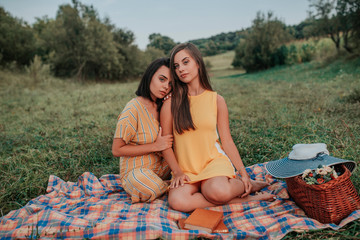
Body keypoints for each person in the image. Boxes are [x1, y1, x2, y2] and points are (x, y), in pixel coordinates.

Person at [160, 43, 275, 212]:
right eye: (176, 66)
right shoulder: (170, 103)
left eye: (186, 62)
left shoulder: (217, 100)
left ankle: (247, 184)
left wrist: (243, 173)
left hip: (213, 163)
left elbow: (227, 141)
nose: (181, 69)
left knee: (217, 191)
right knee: (178, 202)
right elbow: (165, 144)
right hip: (186, 170)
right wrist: (177, 172)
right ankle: (247, 199)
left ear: (198, 63)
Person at [112, 57, 173, 203]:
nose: (166, 87)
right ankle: (172, 187)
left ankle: (174, 186)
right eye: (162, 79)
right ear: (150, 76)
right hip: (137, 173)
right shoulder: (133, 108)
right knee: (147, 187)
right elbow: (117, 150)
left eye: (170, 84)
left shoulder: (164, 106)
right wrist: (155, 146)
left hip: (162, 169)